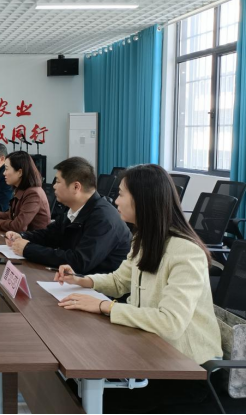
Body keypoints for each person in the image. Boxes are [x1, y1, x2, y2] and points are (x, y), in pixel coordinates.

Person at [54, 164, 223, 413]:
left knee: (87, 395)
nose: (115, 200)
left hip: (186, 369)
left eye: (121, 194)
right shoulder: (144, 239)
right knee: (70, 383)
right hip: (150, 350)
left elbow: (170, 322)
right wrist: (82, 280)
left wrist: (105, 307)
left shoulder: (186, 252)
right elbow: (119, 281)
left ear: (142, 200)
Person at [5, 157, 131, 275]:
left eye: (58, 181)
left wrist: (28, 249)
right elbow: (50, 235)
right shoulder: (75, 209)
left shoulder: (103, 218)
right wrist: (22, 236)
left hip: (98, 286)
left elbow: (79, 262)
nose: (54, 186)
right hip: (76, 279)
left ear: (76, 187)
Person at [0, 151, 51, 233]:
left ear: (20, 172)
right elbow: (13, 213)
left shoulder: (33, 194)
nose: (4, 173)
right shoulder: (21, 189)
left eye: (6, 169)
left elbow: (18, 226)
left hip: (33, 239)